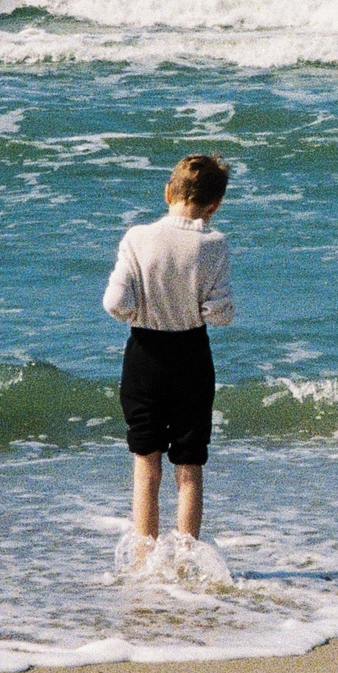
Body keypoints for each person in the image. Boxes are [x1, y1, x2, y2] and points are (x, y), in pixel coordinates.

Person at [101, 153, 234, 570]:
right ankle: (186, 564)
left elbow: (115, 303)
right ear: (214, 206)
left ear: (168, 192)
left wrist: (141, 309)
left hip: (144, 357)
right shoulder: (213, 244)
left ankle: (144, 561)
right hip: (191, 357)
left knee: (146, 462)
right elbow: (221, 314)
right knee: (189, 465)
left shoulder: (137, 237)